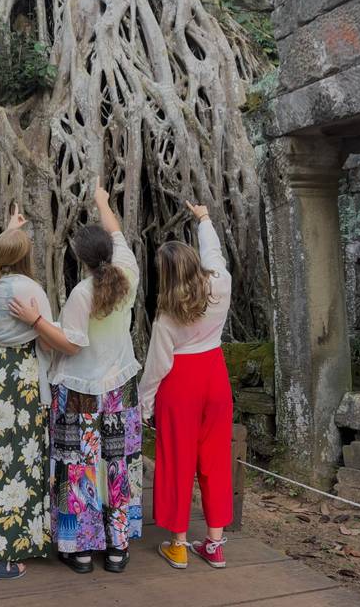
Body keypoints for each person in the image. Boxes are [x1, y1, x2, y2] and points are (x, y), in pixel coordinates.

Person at [10, 180, 142, 575]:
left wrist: (34, 320)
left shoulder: (83, 293)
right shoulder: (128, 273)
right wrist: (103, 200)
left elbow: (69, 344)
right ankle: (118, 548)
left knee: (77, 467)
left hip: (80, 394)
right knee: (117, 464)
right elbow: (116, 232)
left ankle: (79, 550)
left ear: (80, 259)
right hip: (120, 389)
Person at [0, 205, 75, 583]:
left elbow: (1, 259)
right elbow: (53, 338)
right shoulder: (28, 288)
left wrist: (12, 229)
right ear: (25, 257)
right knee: (16, 458)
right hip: (18, 377)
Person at [138, 201, 233, 571]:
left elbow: (156, 367)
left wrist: (146, 405)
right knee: (214, 461)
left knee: (177, 461)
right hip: (215, 377)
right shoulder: (220, 285)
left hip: (180, 384)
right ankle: (214, 543)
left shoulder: (167, 314)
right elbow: (215, 252)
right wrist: (205, 219)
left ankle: (178, 544)